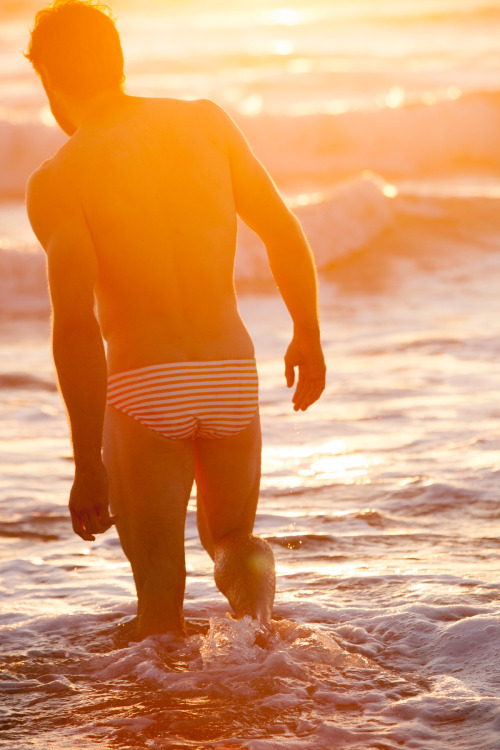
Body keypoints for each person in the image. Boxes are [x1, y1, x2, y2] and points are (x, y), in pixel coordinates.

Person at [25, 0, 326, 640]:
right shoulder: (206, 123)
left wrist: (86, 461)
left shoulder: (60, 177)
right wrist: (307, 332)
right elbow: (282, 229)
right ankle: (265, 655)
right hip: (229, 376)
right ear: (118, 61)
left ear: (48, 76)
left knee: (159, 602)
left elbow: (75, 326)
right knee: (233, 541)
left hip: (145, 385)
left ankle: (162, 723)